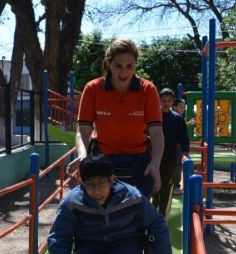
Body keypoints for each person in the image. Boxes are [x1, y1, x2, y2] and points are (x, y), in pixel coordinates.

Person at [68, 39, 165, 198]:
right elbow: (83, 131)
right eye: (118, 65)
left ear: (135, 65)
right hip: (103, 159)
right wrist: (82, 155)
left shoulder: (148, 90)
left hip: (139, 161)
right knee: (101, 211)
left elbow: (156, 132)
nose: (124, 72)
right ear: (109, 63)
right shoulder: (93, 89)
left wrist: (155, 163)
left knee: (137, 211)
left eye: (130, 66)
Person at [151, 88, 189, 216]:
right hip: (153, 159)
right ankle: (152, 213)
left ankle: (162, 215)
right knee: (154, 188)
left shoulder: (177, 119)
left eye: (169, 100)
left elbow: (183, 137)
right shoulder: (152, 117)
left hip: (170, 158)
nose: (166, 103)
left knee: (166, 188)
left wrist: (184, 152)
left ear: (173, 102)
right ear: (158, 101)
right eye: (163, 100)